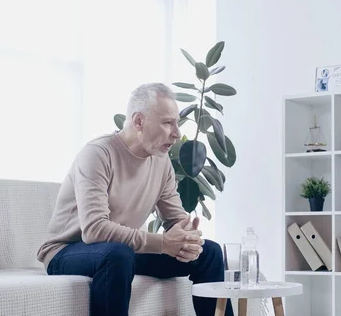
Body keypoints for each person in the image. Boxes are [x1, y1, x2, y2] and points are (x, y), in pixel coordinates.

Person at [36, 83, 234, 316]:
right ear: (139, 121)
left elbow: (175, 217)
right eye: (167, 122)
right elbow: (94, 230)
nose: (177, 133)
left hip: (121, 251)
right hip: (67, 251)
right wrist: (162, 243)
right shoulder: (98, 154)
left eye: (177, 123)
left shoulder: (161, 162)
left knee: (208, 252)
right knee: (118, 254)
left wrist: (187, 235)